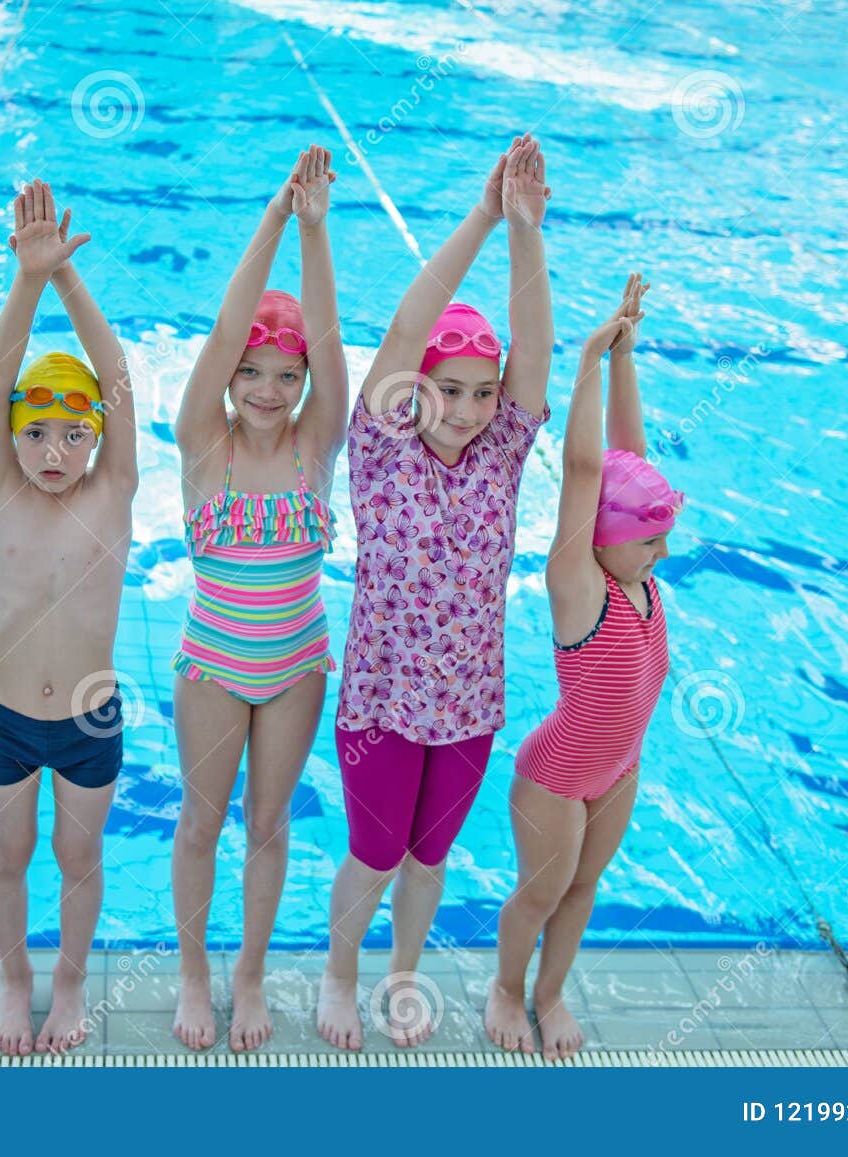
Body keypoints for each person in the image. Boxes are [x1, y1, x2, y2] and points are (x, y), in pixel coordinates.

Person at [317, 137, 553, 1050]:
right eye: (447, 391)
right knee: (375, 852)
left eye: (480, 394)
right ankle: (340, 973)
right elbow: (408, 329)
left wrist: (527, 232)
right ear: (415, 391)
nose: (463, 409)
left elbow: (531, 343)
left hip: (467, 706)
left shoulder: (501, 455)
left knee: (429, 858)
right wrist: (485, 217)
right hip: (380, 701)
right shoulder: (382, 450)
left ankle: (401, 972)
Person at [169, 146, 348, 1052]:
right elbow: (222, 331)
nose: (269, 390)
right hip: (212, 667)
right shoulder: (205, 446)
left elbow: (326, 336)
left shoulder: (319, 443)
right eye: (252, 373)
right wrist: (275, 219)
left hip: (296, 667)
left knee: (268, 822)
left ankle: (249, 976)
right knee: (202, 819)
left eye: (285, 374)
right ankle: (195, 971)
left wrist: (315, 234)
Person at [487, 275, 680, 1060]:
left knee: (583, 889)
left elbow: (629, 460)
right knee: (542, 890)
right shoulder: (580, 585)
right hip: (559, 772)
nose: (661, 551)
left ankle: (551, 991)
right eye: (648, 538)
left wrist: (627, 356)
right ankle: (505, 988)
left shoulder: (638, 574)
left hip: (620, 768)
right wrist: (588, 367)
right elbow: (586, 472)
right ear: (598, 537)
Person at [0, 180, 138, 1056]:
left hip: (89, 717)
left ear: (99, 439)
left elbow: (114, 381)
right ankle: (14, 978)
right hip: (4, 717)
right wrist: (25, 284)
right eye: (36, 434)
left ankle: (69, 980)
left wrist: (68, 284)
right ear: (11, 437)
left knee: (78, 860)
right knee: (9, 858)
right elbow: (2, 376)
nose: (54, 452)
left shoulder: (110, 495)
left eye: (75, 435)